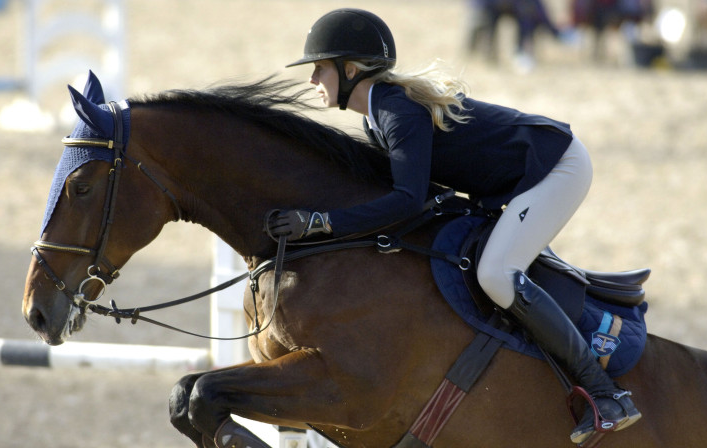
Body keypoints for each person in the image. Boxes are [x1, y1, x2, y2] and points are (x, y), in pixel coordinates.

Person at [266, 8, 641, 444]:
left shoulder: (395, 111)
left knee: (496, 275)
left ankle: (606, 393)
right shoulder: (376, 116)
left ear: (349, 70)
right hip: (522, 178)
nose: (312, 80)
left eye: (319, 69)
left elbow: (405, 200)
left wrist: (320, 222)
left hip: (556, 167)